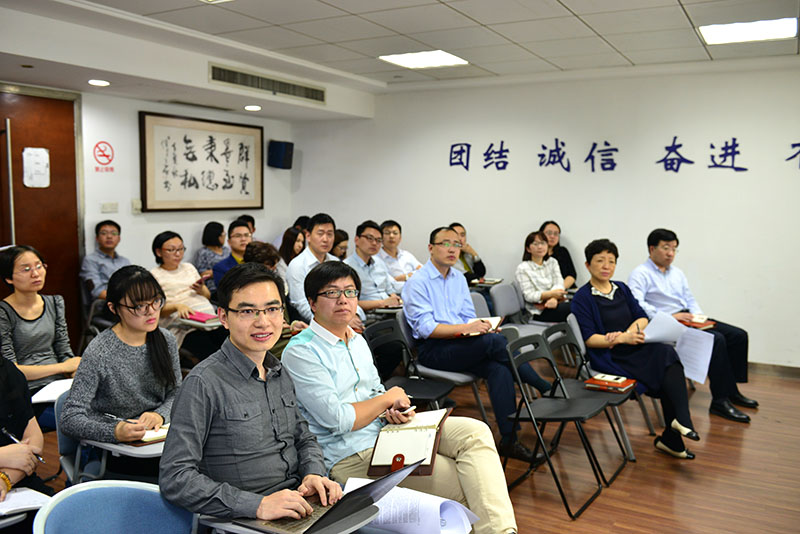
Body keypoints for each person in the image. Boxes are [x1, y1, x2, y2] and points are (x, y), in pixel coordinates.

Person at [283, 261, 519, 534]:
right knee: (468, 485)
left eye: (350, 291)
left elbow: (374, 392)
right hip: (350, 455)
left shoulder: (356, 340)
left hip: (386, 432)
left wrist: (391, 408)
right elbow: (338, 420)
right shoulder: (302, 351)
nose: (343, 300)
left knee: (475, 431)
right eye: (332, 293)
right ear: (312, 303)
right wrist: (386, 400)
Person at [159, 263, 341, 520]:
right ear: (223, 317)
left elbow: (303, 437)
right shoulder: (203, 383)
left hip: (299, 502)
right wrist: (257, 505)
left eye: (272, 309)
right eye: (247, 311)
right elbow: (175, 478)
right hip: (248, 519)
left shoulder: (278, 370)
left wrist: (313, 473)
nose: (263, 322)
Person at [401, 226, 551, 461]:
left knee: (499, 368)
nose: (452, 249)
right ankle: (545, 387)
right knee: (495, 343)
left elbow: (468, 317)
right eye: (445, 243)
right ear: (431, 248)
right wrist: (466, 329)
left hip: (463, 345)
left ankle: (510, 440)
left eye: (457, 244)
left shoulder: (458, 278)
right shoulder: (417, 282)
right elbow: (425, 329)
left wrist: (482, 326)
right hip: (433, 350)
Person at [571, 239, 700, 459]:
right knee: (664, 365)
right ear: (587, 265)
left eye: (611, 261)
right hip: (611, 355)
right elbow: (589, 339)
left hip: (633, 346)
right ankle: (675, 431)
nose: (606, 266)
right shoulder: (582, 298)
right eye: (600, 261)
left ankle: (677, 428)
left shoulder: (621, 288)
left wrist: (629, 334)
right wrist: (622, 338)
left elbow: (641, 317)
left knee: (666, 353)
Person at [60, 266, 181, 479]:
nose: (151, 311)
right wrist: (115, 431)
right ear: (114, 308)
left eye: (156, 301)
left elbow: (176, 392)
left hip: (160, 441)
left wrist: (159, 414)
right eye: (138, 306)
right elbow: (70, 418)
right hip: (119, 451)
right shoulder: (100, 351)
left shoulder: (165, 339)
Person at [628, 228, 757, 423]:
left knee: (738, 336)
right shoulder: (640, 273)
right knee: (716, 340)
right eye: (666, 248)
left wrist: (699, 317)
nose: (671, 253)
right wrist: (671, 316)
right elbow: (638, 304)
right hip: (666, 324)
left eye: (674, 249)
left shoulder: (677, 273)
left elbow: (689, 298)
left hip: (687, 318)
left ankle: (732, 390)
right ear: (652, 248)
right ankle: (720, 401)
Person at [0, 246, 81, 399]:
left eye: (39, 266)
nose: (35, 274)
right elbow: (11, 371)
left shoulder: (55, 303)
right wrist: (63, 367)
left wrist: (75, 371)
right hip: (25, 390)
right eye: (26, 269)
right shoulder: (3, 312)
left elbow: (64, 351)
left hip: (58, 385)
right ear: (8, 278)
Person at [150, 231, 225, 360]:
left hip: (209, 321)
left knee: (233, 342)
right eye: (171, 250)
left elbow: (207, 296)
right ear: (158, 252)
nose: (178, 254)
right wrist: (177, 306)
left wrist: (201, 290)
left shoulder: (189, 267)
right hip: (184, 327)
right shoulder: (154, 275)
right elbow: (156, 310)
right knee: (212, 353)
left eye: (181, 249)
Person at [0, 355, 52, 533]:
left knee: (56, 518)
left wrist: (5, 478)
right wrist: (3, 456)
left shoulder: (8, 371)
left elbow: (34, 439)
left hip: (18, 483)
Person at [243, 241, 307, 358]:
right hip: (268, 346)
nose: (273, 270)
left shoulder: (274, 285)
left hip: (286, 338)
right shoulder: (243, 292)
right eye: (269, 266)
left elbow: (286, 318)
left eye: (274, 267)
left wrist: (293, 325)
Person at [343, 220, 403, 312]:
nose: (374, 243)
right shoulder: (346, 267)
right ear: (357, 240)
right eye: (369, 238)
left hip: (390, 310)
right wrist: (382, 303)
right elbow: (348, 302)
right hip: (368, 314)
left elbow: (390, 291)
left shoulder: (380, 263)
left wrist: (395, 299)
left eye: (378, 240)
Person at [515, 230, 570, 322]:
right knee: (576, 308)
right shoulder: (523, 268)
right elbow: (529, 295)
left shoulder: (552, 262)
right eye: (535, 244)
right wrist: (551, 294)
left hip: (556, 303)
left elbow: (559, 283)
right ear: (528, 249)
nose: (540, 247)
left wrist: (553, 298)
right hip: (538, 311)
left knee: (582, 304)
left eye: (543, 243)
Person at [79, 219, 131, 300]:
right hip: (103, 302)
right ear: (97, 238)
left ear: (119, 238)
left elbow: (132, 285)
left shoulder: (125, 261)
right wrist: (125, 299)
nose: (109, 237)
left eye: (114, 233)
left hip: (126, 301)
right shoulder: (90, 260)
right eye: (104, 233)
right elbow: (96, 291)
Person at [212, 219, 253, 287]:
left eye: (246, 235)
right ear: (229, 242)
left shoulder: (259, 262)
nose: (243, 239)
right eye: (238, 236)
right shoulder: (220, 268)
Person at [193, 221, 229, 296]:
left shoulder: (226, 250)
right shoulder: (203, 252)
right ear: (216, 236)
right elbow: (202, 273)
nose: (224, 237)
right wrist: (222, 271)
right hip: (214, 287)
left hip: (230, 283)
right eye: (223, 234)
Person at [539, 220, 577, 289]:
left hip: (566, 290)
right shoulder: (536, 254)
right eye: (549, 233)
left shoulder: (562, 251)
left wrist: (558, 290)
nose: (552, 236)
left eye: (556, 234)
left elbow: (572, 275)